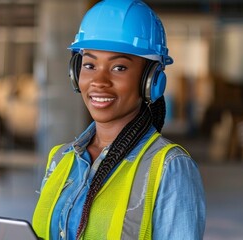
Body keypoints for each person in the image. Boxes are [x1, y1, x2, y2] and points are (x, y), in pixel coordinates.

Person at [32, 0, 206, 239]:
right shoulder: (61, 159)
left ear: (150, 81)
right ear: (75, 73)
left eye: (119, 68)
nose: (99, 81)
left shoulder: (169, 168)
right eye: (90, 65)